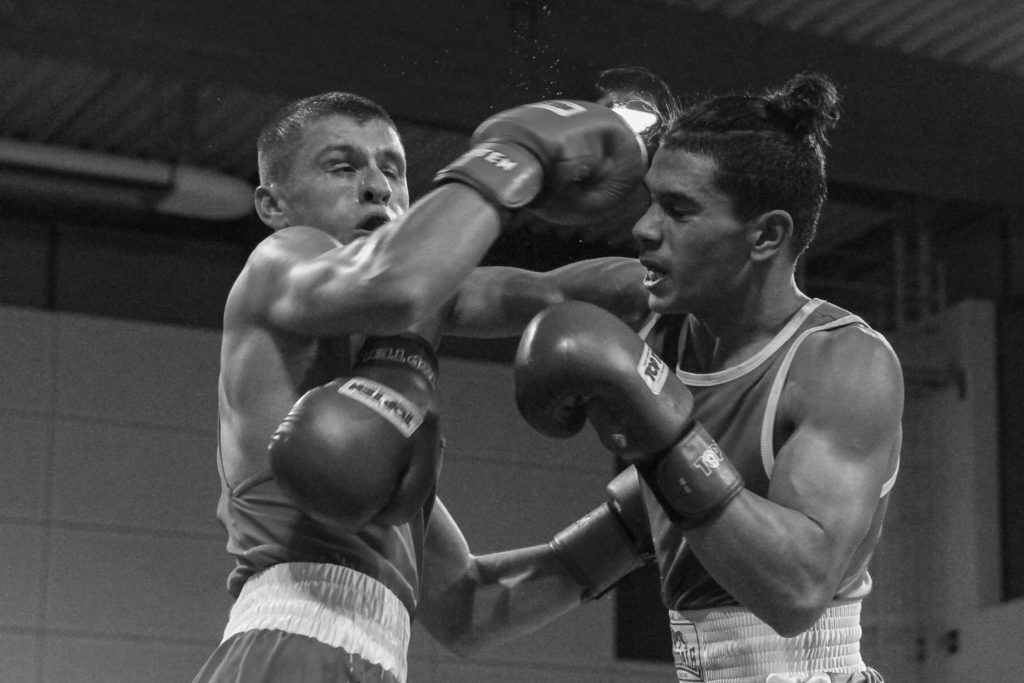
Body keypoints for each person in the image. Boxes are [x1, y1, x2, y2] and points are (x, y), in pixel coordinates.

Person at [192, 88, 662, 683]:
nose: (377, 187)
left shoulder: (377, 440)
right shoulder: (280, 261)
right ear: (272, 203)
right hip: (287, 649)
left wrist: (632, 526)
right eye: (342, 166)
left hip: (365, 661)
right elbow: (400, 280)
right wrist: (508, 160)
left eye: (392, 169)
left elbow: (471, 609)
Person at [512, 73, 901, 683]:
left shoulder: (842, 363)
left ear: (766, 235)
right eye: (650, 200)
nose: (643, 228)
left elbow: (796, 591)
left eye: (679, 209)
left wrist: (664, 439)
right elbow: (476, 613)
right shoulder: (648, 309)